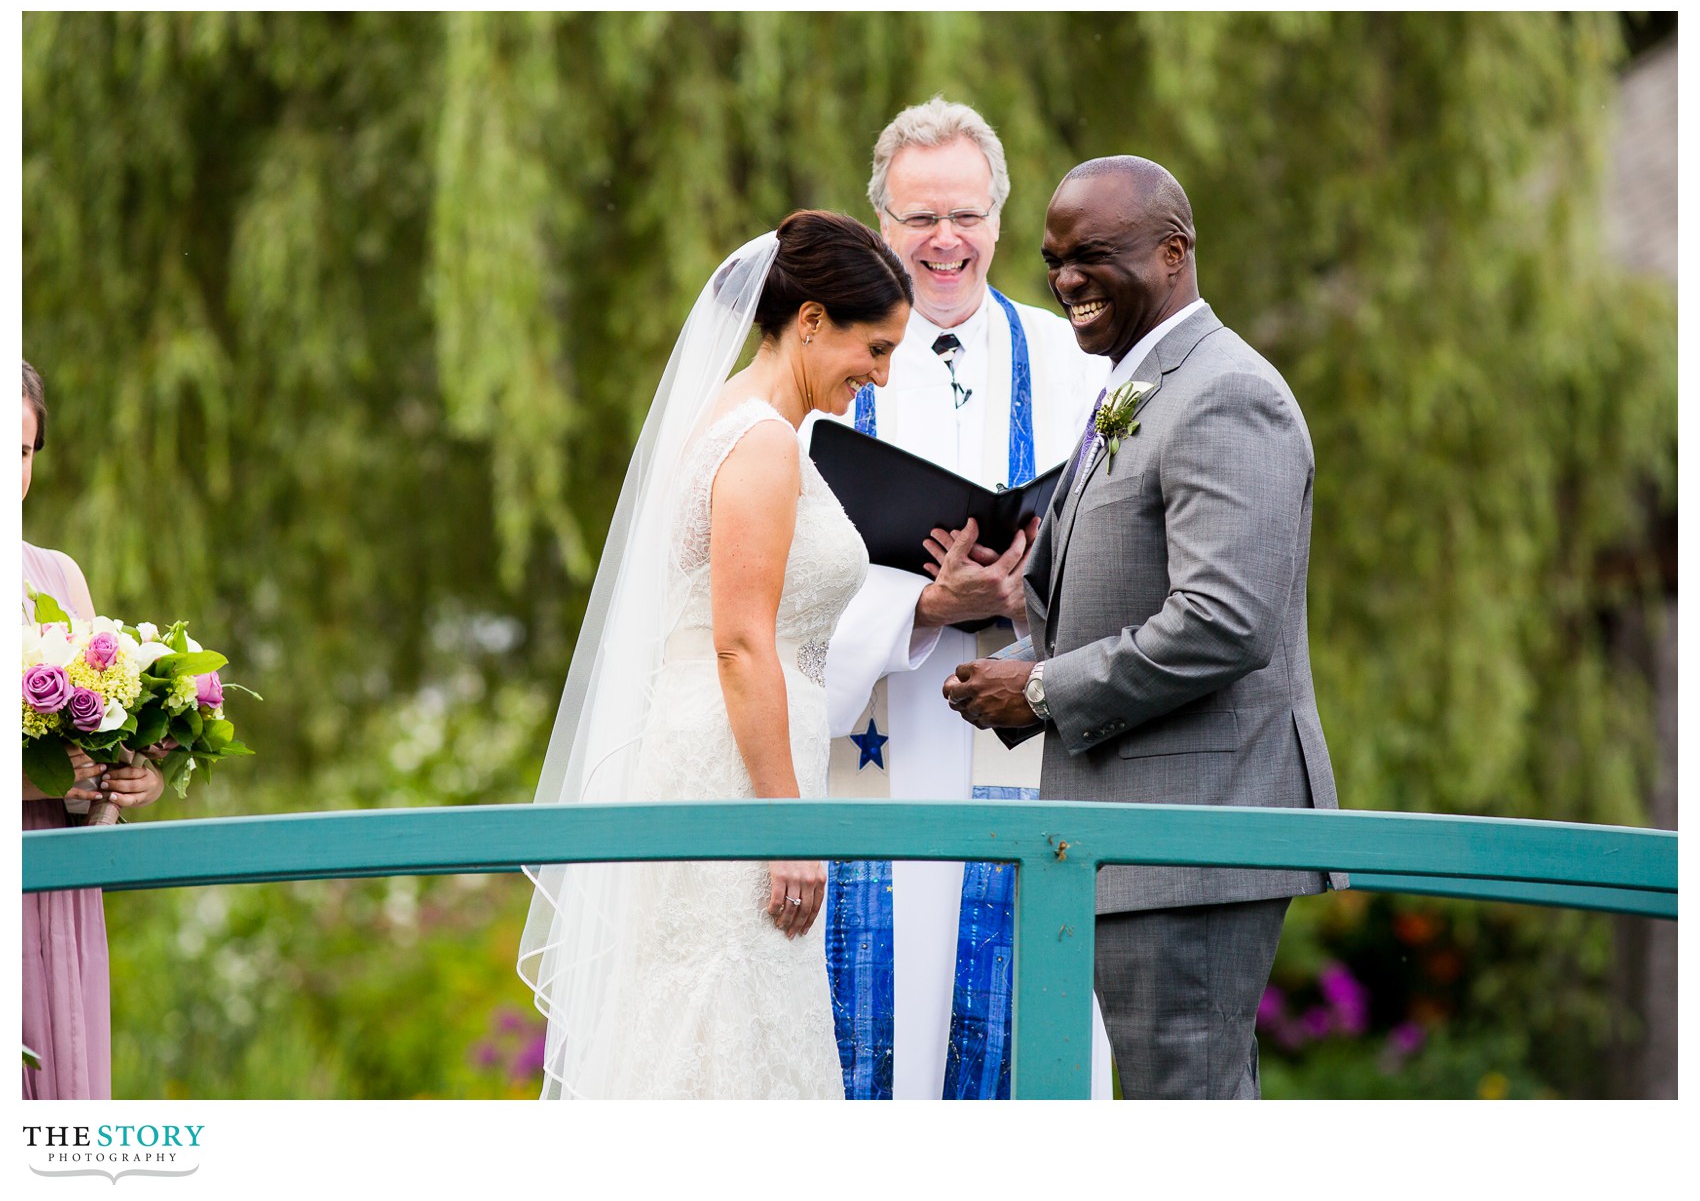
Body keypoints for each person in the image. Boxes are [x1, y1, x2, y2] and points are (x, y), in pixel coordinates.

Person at [943, 156, 1345, 1099]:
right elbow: (1128, 596)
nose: (1067, 280)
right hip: (1135, 837)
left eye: (1092, 256)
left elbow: (1222, 622)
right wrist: (1020, 640)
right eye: (1053, 260)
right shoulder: (1138, 384)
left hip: (1193, 840)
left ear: (1172, 254)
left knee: (1185, 1112)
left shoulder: (1226, 394)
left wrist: (1041, 690)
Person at [517, 212, 912, 1099]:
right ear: (810, 320)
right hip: (737, 774)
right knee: (725, 1012)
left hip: (723, 752)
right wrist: (787, 825)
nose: (879, 376)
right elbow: (740, 644)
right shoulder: (764, 443)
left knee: (718, 1017)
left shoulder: (733, 417)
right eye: (875, 348)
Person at [812, 98, 1111, 1100]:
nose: (943, 242)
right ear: (879, 224)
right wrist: (920, 610)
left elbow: (1129, 563)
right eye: (917, 218)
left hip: (1025, 744)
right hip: (876, 735)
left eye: (966, 216)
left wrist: (1025, 591)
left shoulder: (1077, 368)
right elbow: (781, 582)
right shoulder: (832, 372)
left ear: (999, 217)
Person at [21, 359, 166, 1099]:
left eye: (21, 452)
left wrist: (126, 778)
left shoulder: (60, 576)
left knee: (67, 1085)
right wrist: (39, 778)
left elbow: (97, 743)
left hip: (65, 874)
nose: (10, 471)